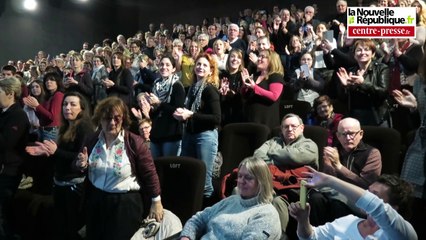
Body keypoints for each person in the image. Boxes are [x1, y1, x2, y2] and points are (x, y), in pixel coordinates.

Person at [75, 96, 164, 240]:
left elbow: (150, 174)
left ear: (123, 119)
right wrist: (81, 165)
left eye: (117, 118)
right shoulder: (92, 140)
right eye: (107, 118)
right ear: (99, 119)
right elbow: (79, 164)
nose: (112, 122)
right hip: (96, 201)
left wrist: (156, 202)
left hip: (124, 205)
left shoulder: (135, 143)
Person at [25, 91, 94, 240]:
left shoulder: (84, 128)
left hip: (74, 185)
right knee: (60, 226)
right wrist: (47, 152)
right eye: (65, 104)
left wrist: (55, 151)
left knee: (71, 228)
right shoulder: (65, 127)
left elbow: (79, 157)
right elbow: (61, 154)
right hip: (60, 182)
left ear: (81, 108)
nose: (67, 108)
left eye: (72, 104)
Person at [289, 167, 418, 240]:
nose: (366, 195)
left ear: (393, 208)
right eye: (368, 191)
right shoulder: (347, 222)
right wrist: (303, 220)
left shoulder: (401, 233)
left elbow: (377, 207)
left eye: (375, 194)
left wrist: (330, 181)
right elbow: (310, 237)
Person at [179, 157, 282, 240]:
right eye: (240, 176)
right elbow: (198, 219)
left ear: (262, 183)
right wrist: (186, 237)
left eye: (248, 177)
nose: (241, 181)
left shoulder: (267, 214)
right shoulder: (231, 200)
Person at [308, 117, 382, 226]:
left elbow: (366, 186)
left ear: (360, 134)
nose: (348, 138)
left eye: (352, 134)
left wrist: (338, 166)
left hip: (357, 198)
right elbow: (328, 181)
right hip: (332, 193)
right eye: (343, 134)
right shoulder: (333, 151)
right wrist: (328, 164)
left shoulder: (372, 153)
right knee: (315, 199)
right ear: (338, 136)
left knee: (337, 205)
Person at [173, 53, 221, 199]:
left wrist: (191, 115)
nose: (200, 67)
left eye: (205, 65)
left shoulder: (209, 89)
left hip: (205, 137)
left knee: (205, 183)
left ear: (211, 71)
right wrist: (181, 116)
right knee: (188, 176)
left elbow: (216, 118)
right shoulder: (192, 88)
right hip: (190, 135)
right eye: (198, 64)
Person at [0, 77, 30, 239]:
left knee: (5, 212)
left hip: (9, 171)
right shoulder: (4, 113)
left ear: (10, 93)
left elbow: (6, 143)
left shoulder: (18, 115)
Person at [335, 39, 390, 126]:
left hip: (376, 117)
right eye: (359, 50)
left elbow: (383, 93)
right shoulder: (351, 71)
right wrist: (344, 86)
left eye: (366, 49)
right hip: (355, 117)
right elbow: (343, 99)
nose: (362, 52)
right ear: (354, 55)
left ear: (373, 54)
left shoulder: (382, 68)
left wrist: (363, 83)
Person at [253, 113, 319, 169]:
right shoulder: (272, 142)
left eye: (293, 126)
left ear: (301, 128)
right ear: (282, 129)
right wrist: (284, 162)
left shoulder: (310, 145)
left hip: (299, 182)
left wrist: (270, 154)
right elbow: (257, 156)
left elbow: (292, 157)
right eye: (286, 126)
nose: (290, 129)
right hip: (270, 181)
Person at [241, 49, 284, 129]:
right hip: (250, 120)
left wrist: (254, 87)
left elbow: (274, 96)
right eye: (259, 56)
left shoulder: (275, 76)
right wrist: (245, 85)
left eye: (262, 57)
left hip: (266, 122)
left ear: (272, 60)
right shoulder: (255, 76)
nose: (259, 59)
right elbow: (245, 96)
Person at [23, 72, 64, 141]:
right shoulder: (49, 96)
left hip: (52, 130)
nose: (48, 82)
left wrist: (37, 106)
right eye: (46, 80)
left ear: (57, 82)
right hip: (44, 128)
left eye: (52, 80)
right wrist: (34, 107)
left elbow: (52, 117)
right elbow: (43, 116)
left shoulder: (58, 95)